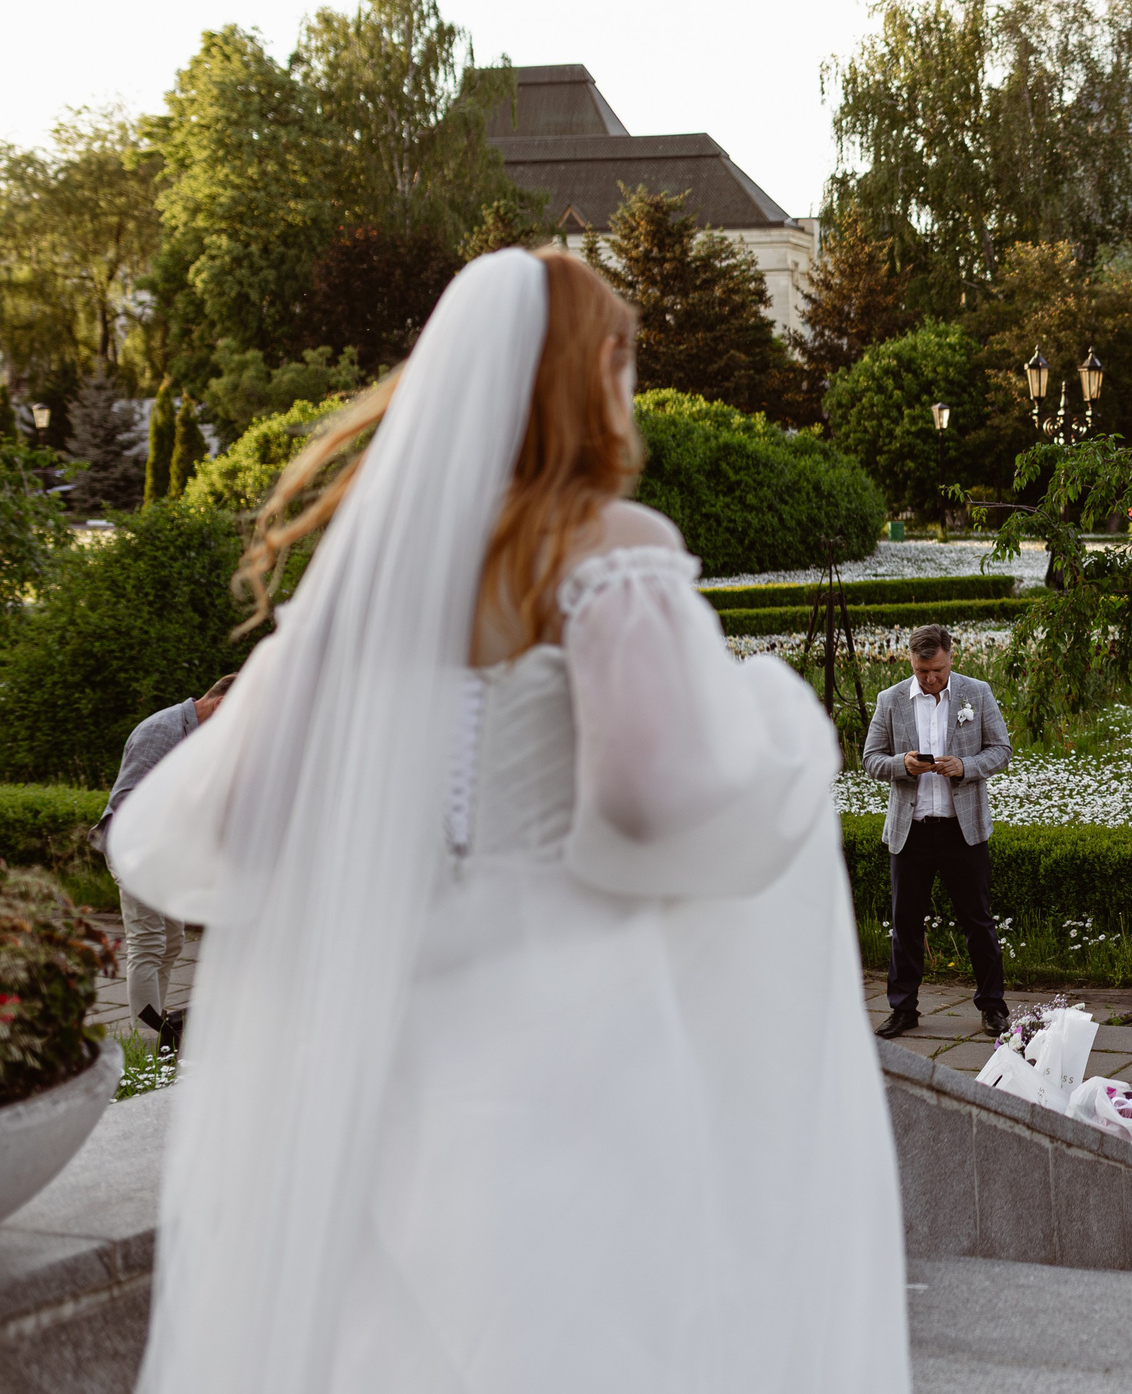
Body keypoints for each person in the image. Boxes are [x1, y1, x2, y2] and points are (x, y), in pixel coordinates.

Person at [108, 249, 907, 1394]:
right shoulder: (602, 553)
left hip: (388, 1035)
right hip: (576, 1028)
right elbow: (650, 802)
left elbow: (217, 825)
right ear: (592, 372)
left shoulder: (368, 587)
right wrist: (778, 725)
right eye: (622, 358)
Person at [864, 625, 1013, 1040]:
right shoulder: (890, 700)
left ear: (951, 658)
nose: (931, 679)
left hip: (961, 830)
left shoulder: (976, 693)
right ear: (910, 662)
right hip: (909, 832)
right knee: (905, 922)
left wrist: (965, 766)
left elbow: (1001, 750)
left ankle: (992, 1008)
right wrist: (902, 764)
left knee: (978, 921)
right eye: (922, 671)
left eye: (938, 671)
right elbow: (870, 759)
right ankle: (903, 1009)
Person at [95, 673, 237, 1053]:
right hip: (137, 851)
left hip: (167, 853)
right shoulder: (162, 729)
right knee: (149, 942)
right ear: (222, 705)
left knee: (172, 941)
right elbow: (127, 803)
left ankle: (160, 1025)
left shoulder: (198, 735)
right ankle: (146, 1041)